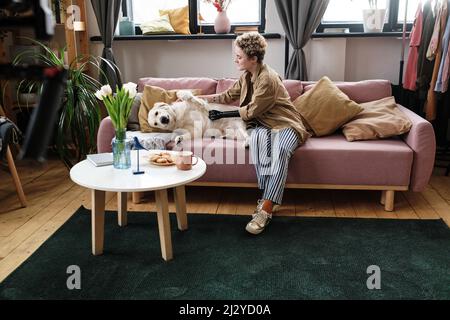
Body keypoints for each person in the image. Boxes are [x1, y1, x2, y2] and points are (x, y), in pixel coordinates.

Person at [200, 32, 311, 235]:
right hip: (261, 125)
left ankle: (266, 208)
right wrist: (198, 98)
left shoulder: (268, 79)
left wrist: (221, 114)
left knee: (280, 149)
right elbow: (228, 95)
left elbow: (251, 111)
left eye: (239, 56)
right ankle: (269, 197)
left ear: (253, 58)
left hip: (285, 124)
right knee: (258, 142)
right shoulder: (247, 76)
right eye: (236, 55)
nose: (235, 59)